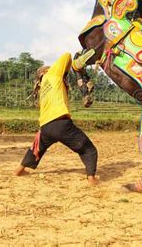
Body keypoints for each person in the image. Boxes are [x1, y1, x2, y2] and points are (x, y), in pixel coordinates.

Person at [14, 53, 99, 185]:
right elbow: (67, 55)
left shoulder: (42, 89)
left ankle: (19, 171)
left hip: (46, 127)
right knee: (89, 149)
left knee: (36, 149)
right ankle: (91, 179)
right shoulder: (52, 74)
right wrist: (73, 67)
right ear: (45, 71)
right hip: (61, 123)